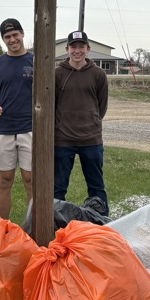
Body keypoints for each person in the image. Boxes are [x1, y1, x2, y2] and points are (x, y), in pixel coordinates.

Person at [0, 18, 33, 220]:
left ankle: (33, 227)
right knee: (4, 179)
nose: (12, 40)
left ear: (22, 34)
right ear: (3, 39)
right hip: (2, 129)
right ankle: (1, 228)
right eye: (7, 37)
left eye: (15, 35)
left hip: (30, 128)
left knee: (31, 180)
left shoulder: (36, 62)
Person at [54, 30, 109, 215]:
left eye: (81, 47)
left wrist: (91, 122)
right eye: (73, 47)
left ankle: (101, 223)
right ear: (67, 49)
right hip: (63, 141)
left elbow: (101, 107)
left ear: (88, 49)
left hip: (91, 141)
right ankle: (55, 223)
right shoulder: (57, 74)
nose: (77, 51)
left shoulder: (98, 74)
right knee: (58, 187)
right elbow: (51, 105)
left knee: (96, 186)